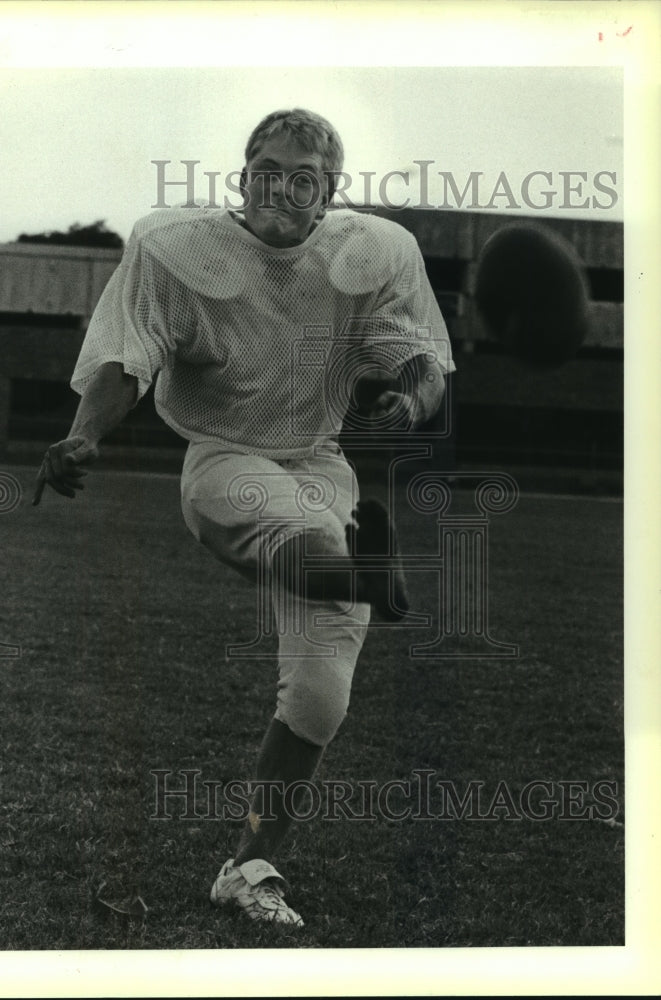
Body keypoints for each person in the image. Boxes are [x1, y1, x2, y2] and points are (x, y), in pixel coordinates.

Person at [34, 108, 454, 927]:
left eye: (303, 178)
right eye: (266, 169)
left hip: (320, 461)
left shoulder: (373, 251)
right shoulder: (173, 245)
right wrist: (84, 436)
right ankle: (366, 576)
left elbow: (415, 351)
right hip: (222, 458)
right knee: (308, 540)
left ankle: (249, 866)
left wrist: (410, 395)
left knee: (321, 699)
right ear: (241, 174)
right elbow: (129, 355)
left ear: (329, 193)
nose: (281, 189)